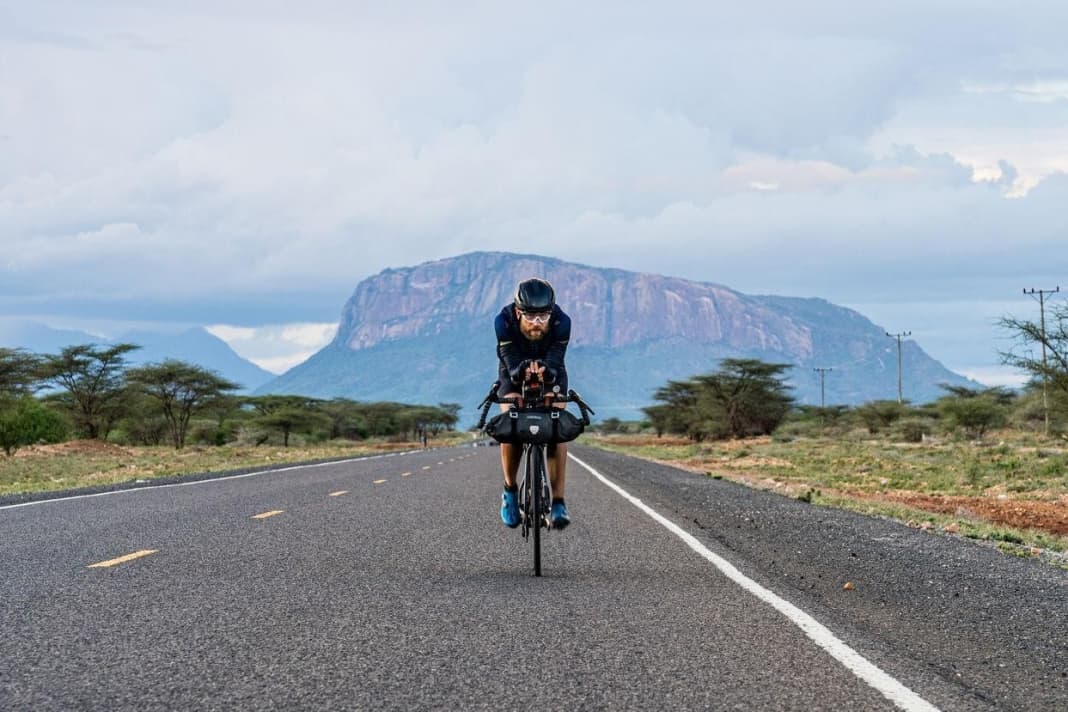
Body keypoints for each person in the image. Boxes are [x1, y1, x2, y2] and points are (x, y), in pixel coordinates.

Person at [494, 277, 572, 530]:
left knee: (556, 430)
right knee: (511, 426)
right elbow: (508, 357)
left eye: (543, 316)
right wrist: (519, 372)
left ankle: (558, 502)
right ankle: (509, 491)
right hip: (512, 369)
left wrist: (547, 371)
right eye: (531, 317)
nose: (537, 323)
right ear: (518, 311)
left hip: (552, 369)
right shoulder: (503, 321)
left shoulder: (562, 322)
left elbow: (557, 357)